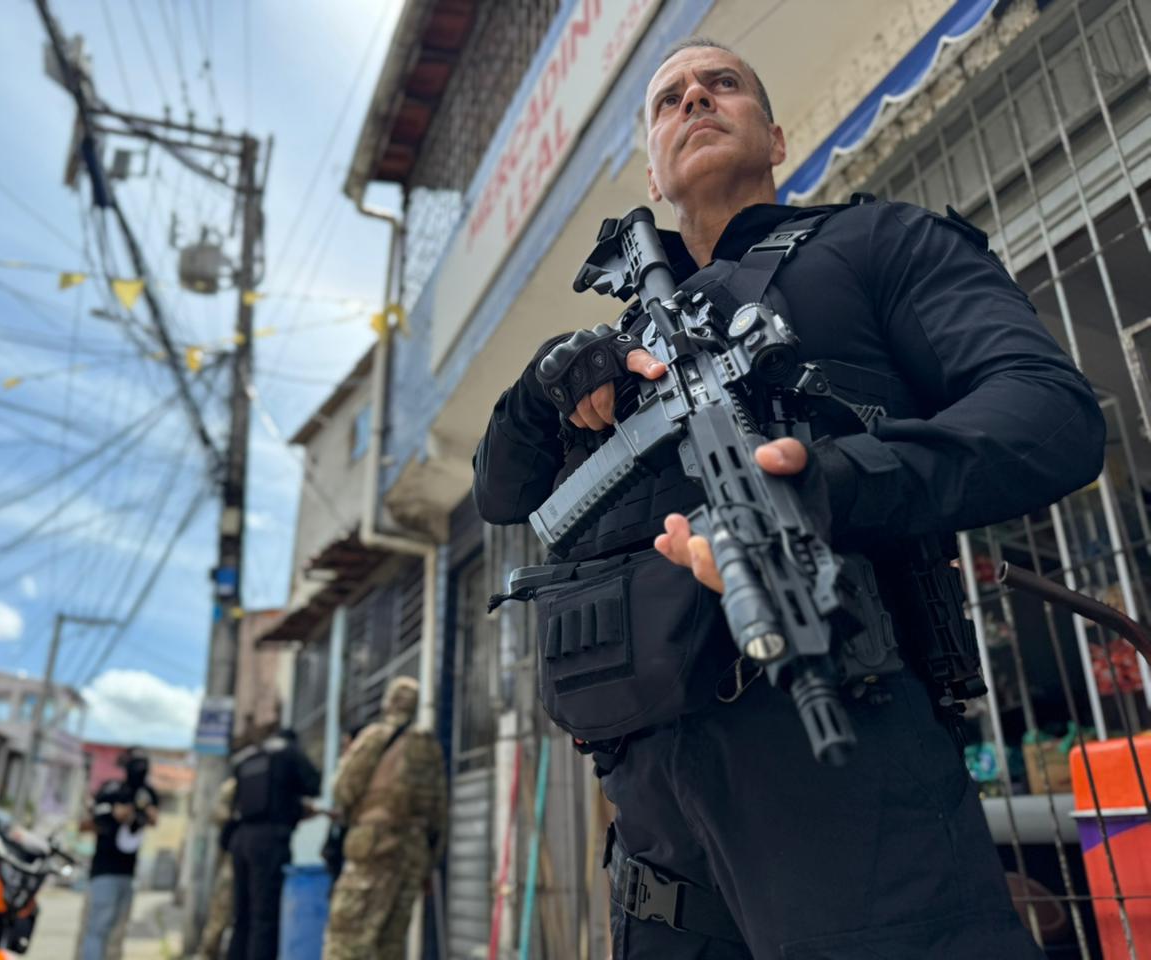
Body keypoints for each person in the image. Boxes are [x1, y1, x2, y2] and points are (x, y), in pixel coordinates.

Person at [472, 36, 1106, 960]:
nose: (695, 99)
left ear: (774, 134)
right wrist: (540, 388)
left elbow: (1048, 415)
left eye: (720, 85)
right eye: (669, 99)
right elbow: (501, 492)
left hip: (845, 752)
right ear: (653, 172)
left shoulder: (878, 243)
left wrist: (834, 482)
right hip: (654, 828)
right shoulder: (620, 349)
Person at [322, 678, 447, 960]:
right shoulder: (430, 748)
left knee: (346, 940)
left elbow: (343, 789)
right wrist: (430, 862)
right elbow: (439, 813)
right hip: (413, 855)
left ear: (388, 703)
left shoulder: (375, 736)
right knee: (390, 944)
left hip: (375, 847)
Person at [228, 728, 320, 960]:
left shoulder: (249, 757)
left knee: (242, 915)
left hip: (241, 838)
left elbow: (249, 800)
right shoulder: (289, 753)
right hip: (268, 842)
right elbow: (313, 785)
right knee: (265, 917)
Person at [78, 747, 159, 960]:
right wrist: (114, 816)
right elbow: (86, 824)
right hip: (104, 872)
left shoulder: (146, 794)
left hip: (128, 873)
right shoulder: (111, 790)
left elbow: (153, 819)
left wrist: (144, 813)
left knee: (116, 934)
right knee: (97, 930)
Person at [198, 776, 237, 960]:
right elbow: (218, 814)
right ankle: (208, 953)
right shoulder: (233, 785)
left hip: (255, 858)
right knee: (220, 912)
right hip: (232, 857)